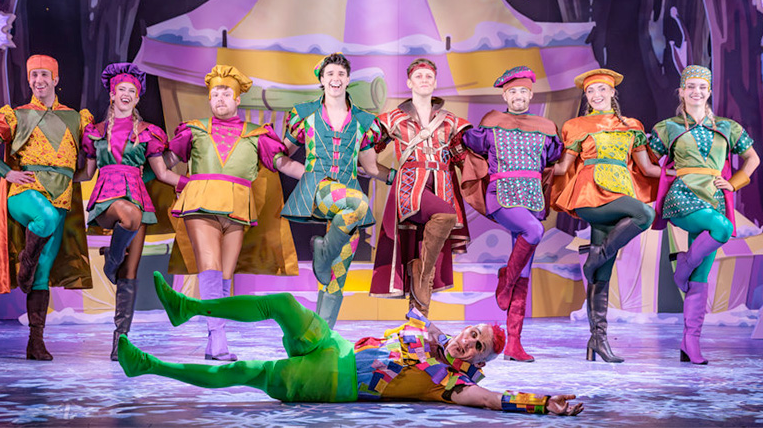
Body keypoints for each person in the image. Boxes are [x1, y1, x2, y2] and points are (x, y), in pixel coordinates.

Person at [117, 271, 583, 417]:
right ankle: (188, 307)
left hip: (330, 380)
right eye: (473, 333)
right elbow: (423, 317)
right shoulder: (433, 334)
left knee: (246, 371)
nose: (470, 343)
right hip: (333, 345)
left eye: (478, 348)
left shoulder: (450, 384)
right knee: (283, 302)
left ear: (479, 360)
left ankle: (148, 366)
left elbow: (492, 399)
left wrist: (543, 404)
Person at [167, 65, 304, 360]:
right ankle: (219, 339)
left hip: (238, 208)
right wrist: (176, 179)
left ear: (238, 98)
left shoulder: (256, 134)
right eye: (215, 93)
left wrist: (317, 177)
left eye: (226, 93)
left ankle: (212, 338)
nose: (220, 98)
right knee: (211, 267)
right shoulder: (194, 129)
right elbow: (163, 161)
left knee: (225, 276)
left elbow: (283, 164)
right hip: (200, 202)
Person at [0, 55, 93, 360]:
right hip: (25, 192)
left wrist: (86, 171)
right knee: (45, 217)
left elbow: (89, 159)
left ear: (56, 79)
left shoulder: (76, 118)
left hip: (62, 196)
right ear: (29, 81)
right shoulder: (17, 115)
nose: (38, 80)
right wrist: (6, 172)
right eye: (33, 76)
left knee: (43, 273)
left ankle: (35, 342)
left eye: (44, 75)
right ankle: (25, 261)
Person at [648, 65, 758, 365]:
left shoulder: (728, 127)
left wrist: (735, 182)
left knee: (700, 277)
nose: (696, 91)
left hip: (715, 197)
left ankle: (690, 342)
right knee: (723, 229)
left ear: (709, 92)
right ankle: (682, 264)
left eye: (702, 87)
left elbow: (753, 158)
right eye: (691, 86)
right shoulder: (667, 127)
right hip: (682, 196)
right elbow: (644, 159)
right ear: (681, 91)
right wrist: (665, 173)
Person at [552, 69, 660, 363]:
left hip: (620, 191)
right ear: (585, 96)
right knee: (645, 213)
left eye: (602, 89)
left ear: (613, 92)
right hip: (589, 194)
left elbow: (647, 169)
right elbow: (562, 168)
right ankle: (596, 255)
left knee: (602, 275)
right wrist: (528, 167)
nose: (596, 95)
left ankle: (597, 340)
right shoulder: (575, 125)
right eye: (590, 91)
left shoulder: (631, 126)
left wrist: (683, 173)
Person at [78, 63, 183, 360]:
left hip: (138, 197)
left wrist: (191, 181)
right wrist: (55, 179)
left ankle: (120, 341)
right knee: (130, 216)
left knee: (129, 273)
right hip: (106, 199)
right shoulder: (96, 132)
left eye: (131, 91)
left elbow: (162, 172)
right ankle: (111, 260)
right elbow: (87, 173)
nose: (126, 94)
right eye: (121, 89)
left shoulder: (148, 133)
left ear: (137, 98)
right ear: (112, 95)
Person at [460, 66, 563, 362]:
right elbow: (470, 144)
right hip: (501, 193)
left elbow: (552, 158)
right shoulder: (492, 122)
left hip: (531, 195)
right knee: (534, 231)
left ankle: (514, 343)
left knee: (525, 272)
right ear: (505, 96)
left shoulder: (545, 126)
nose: (518, 96)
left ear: (531, 95)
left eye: (523, 91)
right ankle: (505, 277)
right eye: (513, 91)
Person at [282, 53, 388, 327]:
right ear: (322, 79)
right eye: (330, 74)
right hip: (319, 191)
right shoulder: (305, 114)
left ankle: (319, 338)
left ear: (348, 79)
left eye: (341, 74)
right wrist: (305, 174)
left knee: (335, 278)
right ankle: (323, 252)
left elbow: (371, 167)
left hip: (349, 204)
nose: (336, 78)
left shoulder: (363, 121)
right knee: (359, 202)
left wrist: (398, 177)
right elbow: (281, 157)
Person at [370, 58, 471, 316]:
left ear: (435, 83)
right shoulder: (392, 119)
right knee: (445, 215)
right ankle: (419, 272)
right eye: (419, 76)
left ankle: (417, 325)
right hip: (409, 190)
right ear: (409, 82)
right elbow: (365, 153)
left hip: (443, 188)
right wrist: (390, 176)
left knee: (426, 252)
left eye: (429, 76)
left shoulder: (451, 122)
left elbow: (465, 161)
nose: (424, 80)